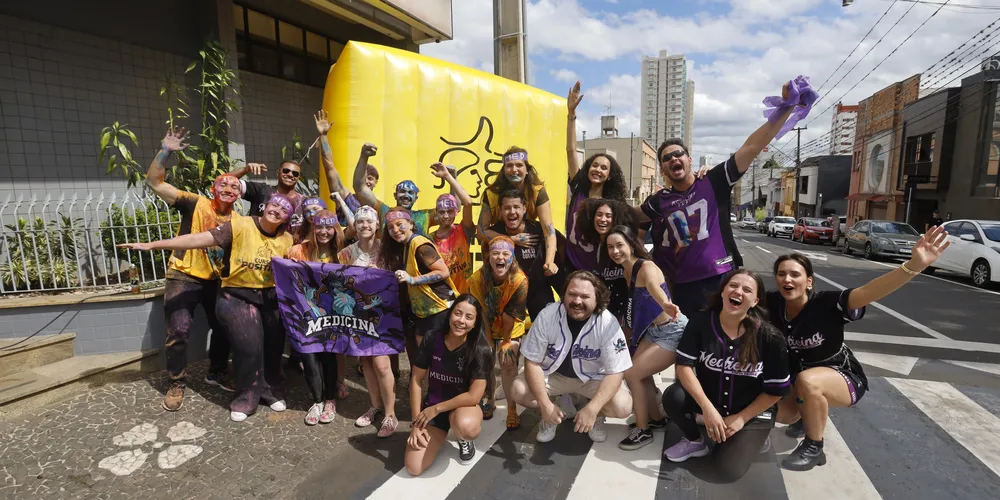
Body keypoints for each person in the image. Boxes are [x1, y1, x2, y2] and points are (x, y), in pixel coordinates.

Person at [769, 225, 950, 471]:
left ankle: (814, 447)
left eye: (795, 274)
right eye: (781, 274)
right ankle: (806, 414)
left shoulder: (827, 303)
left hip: (841, 377)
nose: (787, 279)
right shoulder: (772, 303)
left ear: (809, 281)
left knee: (808, 381)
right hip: (797, 380)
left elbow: (869, 292)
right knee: (780, 411)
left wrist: (912, 267)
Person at [120, 194, 295, 422]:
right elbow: (198, 239)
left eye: (284, 209)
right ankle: (247, 397)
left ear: (287, 218)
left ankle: (270, 390)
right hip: (237, 295)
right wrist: (153, 245)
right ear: (265, 206)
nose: (277, 210)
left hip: (269, 298)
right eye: (275, 204)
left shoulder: (287, 239)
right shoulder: (241, 225)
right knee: (249, 347)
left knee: (273, 347)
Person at [635, 82, 803, 315]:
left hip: (721, 278)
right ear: (663, 170)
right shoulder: (660, 200)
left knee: (729, 338)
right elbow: (630, 216)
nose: (674, 159)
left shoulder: (714, 180)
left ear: (689, 159)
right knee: (690, 342)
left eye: (678, 154)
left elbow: (752, 146)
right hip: (682, 285)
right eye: (667, 158)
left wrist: (786, 107)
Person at [661, 270, 791, 481]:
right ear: (723, 292)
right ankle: (695, 441)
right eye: (733, 286)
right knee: (673, 396)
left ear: (755, 301)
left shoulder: (770, 337)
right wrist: (707, 409)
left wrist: (741, 419)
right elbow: (684, 366)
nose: (738, 292)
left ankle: (753, 436)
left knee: (727, 470)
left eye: (747, 290)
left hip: (750, 413)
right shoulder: (701, 322)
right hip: (712, 404)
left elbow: (776, 391)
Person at [143, 127, 236, 411]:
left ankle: (216, 372)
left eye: (234, 186)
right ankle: (177, 382)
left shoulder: (239, 220)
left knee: (224, 327)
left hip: (216, 280)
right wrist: (165, 151)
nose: (229, 189)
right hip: (183, 274)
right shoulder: (195, 203)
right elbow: (155, 182)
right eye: (223, 184)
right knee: (179, 331)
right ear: (213, 189)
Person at [509, 271, 633, 444]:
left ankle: (593, 415)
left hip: (592, 379)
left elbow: (616, 371)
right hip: (554, 376)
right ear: (564, 294)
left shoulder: (607, 322)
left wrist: (593, 408)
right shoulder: (548, 315)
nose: (577, 301)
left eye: (585, 296)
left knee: (623, 406)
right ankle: (552, 413)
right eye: (572, 294)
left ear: (597, 298)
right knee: (518, 390)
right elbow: (532, 362)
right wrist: (545, 405)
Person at [603, 226, 687, 451]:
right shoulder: (625, 270)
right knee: (639, 373)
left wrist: (665, 303)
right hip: (652, 330)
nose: (615, 251)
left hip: (672, 329)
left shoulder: (646, 267)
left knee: (633, 374)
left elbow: (654, 288)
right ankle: (655, 418)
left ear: (631, 244)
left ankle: (643, 430)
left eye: (619, 245)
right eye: (610, 247)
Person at [406, 295, 493, 475]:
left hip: (461, 408)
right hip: (433, 409)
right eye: (457, 314)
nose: (461, 321)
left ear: (476, 322)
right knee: (413, 467)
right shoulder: (432, 337)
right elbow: (416, 379)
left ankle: (463, 439)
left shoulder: (480, 348)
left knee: (466, 427)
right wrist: (416, 422)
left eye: (469, 317)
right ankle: (439, 431)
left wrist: (437, 408)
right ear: (450, 314)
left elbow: (474, 396)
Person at [336, 206, 398, 436]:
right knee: (367, 364)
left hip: (382, 315)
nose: (364, 225)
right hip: (358, 315)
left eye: (369, 222)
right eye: (360, 222)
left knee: (382, 364)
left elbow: (396, 279)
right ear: (355, 225)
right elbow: (339, 283)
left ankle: (391, 414)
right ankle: (375, 406)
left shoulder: (386, 251)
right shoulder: (346, 254)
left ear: (376, 225)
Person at [563, 81, 629, 277]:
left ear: (610, 175)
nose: (598, 170)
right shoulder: (579, 190)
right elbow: (570, 150)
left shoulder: (613, 204)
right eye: (594, 165)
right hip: (573, 267)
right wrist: (571, 115)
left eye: (604, 168)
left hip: (600, 273)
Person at [287, 210, 344, 425]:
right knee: (308, 357)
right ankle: (317, 401)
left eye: (329, 227)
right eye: (319, 226)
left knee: (328, 357)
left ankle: (330, 400)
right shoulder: (297, 251)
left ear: (335, 229)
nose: (324, 231)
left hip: (332, 316)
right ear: (312, 227)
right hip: (304, 314)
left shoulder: (342, 253)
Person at [468, 236, 528, 430]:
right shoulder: (477, 279)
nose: (500, 257)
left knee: (508, 364)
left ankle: (512, 408)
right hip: (487, 323)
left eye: (505, 253)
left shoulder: (520, 280)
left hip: (510, 328)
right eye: (495, 253)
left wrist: (506, 341)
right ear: (488, 257)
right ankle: (489, 399)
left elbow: (510, 314)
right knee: (485, 362)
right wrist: (486, 341)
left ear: (512, 258)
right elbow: (482, 311)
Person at [478, 147, 558, 278]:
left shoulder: (537, 192)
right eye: (509, 165)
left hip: (528, 245)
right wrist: (510, 240)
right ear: (503, 171)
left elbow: (548, 230)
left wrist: (549, 262)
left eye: (519, 165)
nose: (514, 169)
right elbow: (481, 231)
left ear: (527, 170)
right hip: (499, 248)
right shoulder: (492, 194)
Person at [351, 144, 460, 234]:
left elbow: (455, 208)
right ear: (395, 195)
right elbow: (359, 187)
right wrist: (364, 157)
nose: (406, 195)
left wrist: (452, 178)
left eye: (410, 193)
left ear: (416, 198)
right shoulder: (384, 211)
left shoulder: (425, 216)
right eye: (402, 192)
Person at [489, 189, 554, 321]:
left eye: (516, 207)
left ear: (524, 209)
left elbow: (560, 244)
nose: (512, 212)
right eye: (507, 208)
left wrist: (551, 264)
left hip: (538, 290)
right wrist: (511, 239)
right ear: (500, 211)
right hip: (507, 291)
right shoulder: (494, 233)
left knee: (548, 325)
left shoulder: (538, 229)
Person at [574, 198, 635, 323]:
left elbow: (633, 285)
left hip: (626, 315)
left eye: (608, 216)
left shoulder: (622, 245)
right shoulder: (598, 246)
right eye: (599, 215)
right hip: (607, 313)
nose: (603, 219)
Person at [429, 163, 476, 294]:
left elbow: (468, 203)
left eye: (450, 211)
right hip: (442, 298)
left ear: (456, 212)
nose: (446, 216)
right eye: (442, 212)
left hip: (465, 295)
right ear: (436, 213)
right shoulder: (429, 240)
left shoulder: (463, 230)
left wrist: (449, 177)